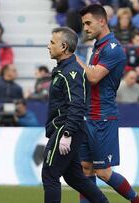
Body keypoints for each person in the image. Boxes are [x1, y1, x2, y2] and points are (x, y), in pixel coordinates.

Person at [78, 4, 139, 203]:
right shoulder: (98, 46)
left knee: (103, 172)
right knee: (85, 169)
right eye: (83, 24)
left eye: (88, 23)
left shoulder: (113, 48)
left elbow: (94, 77)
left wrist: (72, 58)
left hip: (102, 117)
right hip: (88, 115)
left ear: (102, 21)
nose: (86, 28)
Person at [42, 27, 109, 203]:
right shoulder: (64, 69)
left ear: (64, 46)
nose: (48, 46)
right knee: (75, 178)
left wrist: (67, 133)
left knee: (50, 175)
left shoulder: (71, 72)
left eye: (52, 42)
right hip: (67, 128)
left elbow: (77, 105)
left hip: (66, 128)